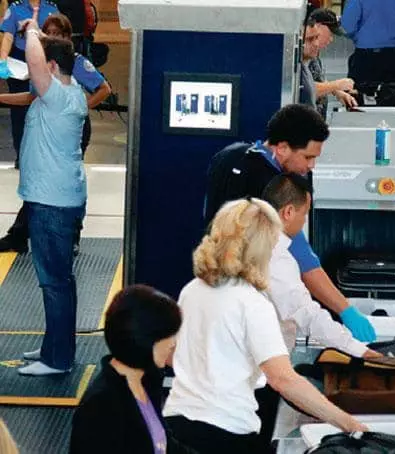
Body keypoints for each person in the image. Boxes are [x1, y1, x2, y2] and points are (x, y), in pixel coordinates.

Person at [163, 198, 368, 454]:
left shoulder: (193, 289)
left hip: (177, 422)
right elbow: (283, 379)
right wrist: (351, 425)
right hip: (226, 433)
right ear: (260, 250)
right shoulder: (251, 302)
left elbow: (171, 354)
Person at [204, 104, 376, 343]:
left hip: (212, 295)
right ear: (282, 147)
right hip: (250, 311)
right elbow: (304, 259)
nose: (311, 166)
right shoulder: (275, 188)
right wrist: (345, 310)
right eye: (308, 157)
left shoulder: (228, 156)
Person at [256, 173, 382, 447]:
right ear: (288, 211)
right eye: (305, 213)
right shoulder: (276, 258)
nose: (305, 221)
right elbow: (308, 314)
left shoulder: (252, 245)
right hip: (256, 377)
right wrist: (360, 350)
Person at [0, 13, 111, 255]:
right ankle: (19, 233)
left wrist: (78, 110)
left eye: (57, 34)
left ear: (66, 39)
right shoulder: (45, 71)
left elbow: (104, 89)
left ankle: (70, 236)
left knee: (65, 180)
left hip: (70, 129)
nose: (51, 37)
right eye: (47, 33)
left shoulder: (74, 62)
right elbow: (31, 97)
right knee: (40, 183)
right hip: (47, 130)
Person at [16, 10, 88, 376]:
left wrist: (31, 31)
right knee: (60, 281)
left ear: (54, 68)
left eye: (43, 64)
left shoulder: (58, 96)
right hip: (54, 200)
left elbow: (34, 61)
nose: (35, 69)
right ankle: (54, 346)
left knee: (54, 283)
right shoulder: (66, 95)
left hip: (52, 205)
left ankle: (57, 360)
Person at [70, 285, 182, 454]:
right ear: (145, 340)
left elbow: (165, 445)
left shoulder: (147, 380)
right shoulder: (101, 406)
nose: (173, 343)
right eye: (167, 335)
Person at [0, 0, 59, 169]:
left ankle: (45, 154)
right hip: (19, 60)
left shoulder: (51, 8)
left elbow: (57, 36)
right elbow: (8, 36)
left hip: (44, 59)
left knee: (44, 108)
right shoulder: (16, 8)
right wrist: (3, 59)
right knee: (19, 112)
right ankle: (21, 155)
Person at [341, 0, 395, 85]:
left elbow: (347, 28)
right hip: (392, 57)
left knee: (359, 94)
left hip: (364, 57)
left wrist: (359, 37)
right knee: (391, 95)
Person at [308, 8, 357, 118]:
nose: (331, 39)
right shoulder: (304, 53)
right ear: (318, 26)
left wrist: (337, 91)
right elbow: (306, 88)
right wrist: (336, 85)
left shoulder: (314, 54)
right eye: (330, 33)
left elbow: (316, 78)